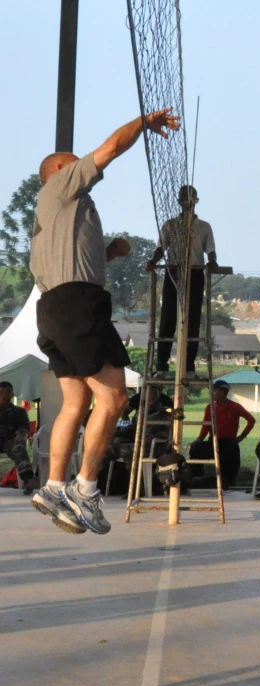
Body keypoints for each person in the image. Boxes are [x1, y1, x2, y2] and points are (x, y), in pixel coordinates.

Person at [29, 107, 180, 536]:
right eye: (74, 160)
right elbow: (111, 148)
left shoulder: (53, 218)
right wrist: (143, 123)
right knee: (113, 400)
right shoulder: (62, 182)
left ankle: (54, 486)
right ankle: (86, 488)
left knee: (76, 403)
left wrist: (108, 253)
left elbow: (69, 265)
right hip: (79, 306)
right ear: (60, 168)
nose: (82, 164)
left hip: (55, 310)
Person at [146, 185, 217, 379]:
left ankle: (189, 367)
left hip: (195, 273)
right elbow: (161, 247)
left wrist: (212, 262)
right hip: (173, 271)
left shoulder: (204, 226)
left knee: (192, 319)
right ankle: (161, 366)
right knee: (168, 317)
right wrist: (154, 260)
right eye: (183, 198)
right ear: (179, 201)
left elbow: (210, 251)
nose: (187, 201)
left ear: (195, 200)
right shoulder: (170, 225)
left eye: (190, 198)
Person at [190, 379, 255, 487]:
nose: (214, 393)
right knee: (196, 448)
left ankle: (229, 481)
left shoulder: (235, 407)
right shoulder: (210, 407)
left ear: (223, 392)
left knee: (232, 459)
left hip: (229, 442)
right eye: (214, 390)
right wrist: (199, 439)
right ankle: (197, 478)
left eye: (216, 390)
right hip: (213, 440)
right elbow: (206, 425)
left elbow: (251, 420)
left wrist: (242, 436)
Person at [0, 381, 35, 494]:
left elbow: (24, 426)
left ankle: (28, 480)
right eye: (1, 393)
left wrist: (21, 433)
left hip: (11, 440)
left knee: (19, 448)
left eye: (7, 393)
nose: (4, 396)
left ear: (12, 395)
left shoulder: (19, 412)